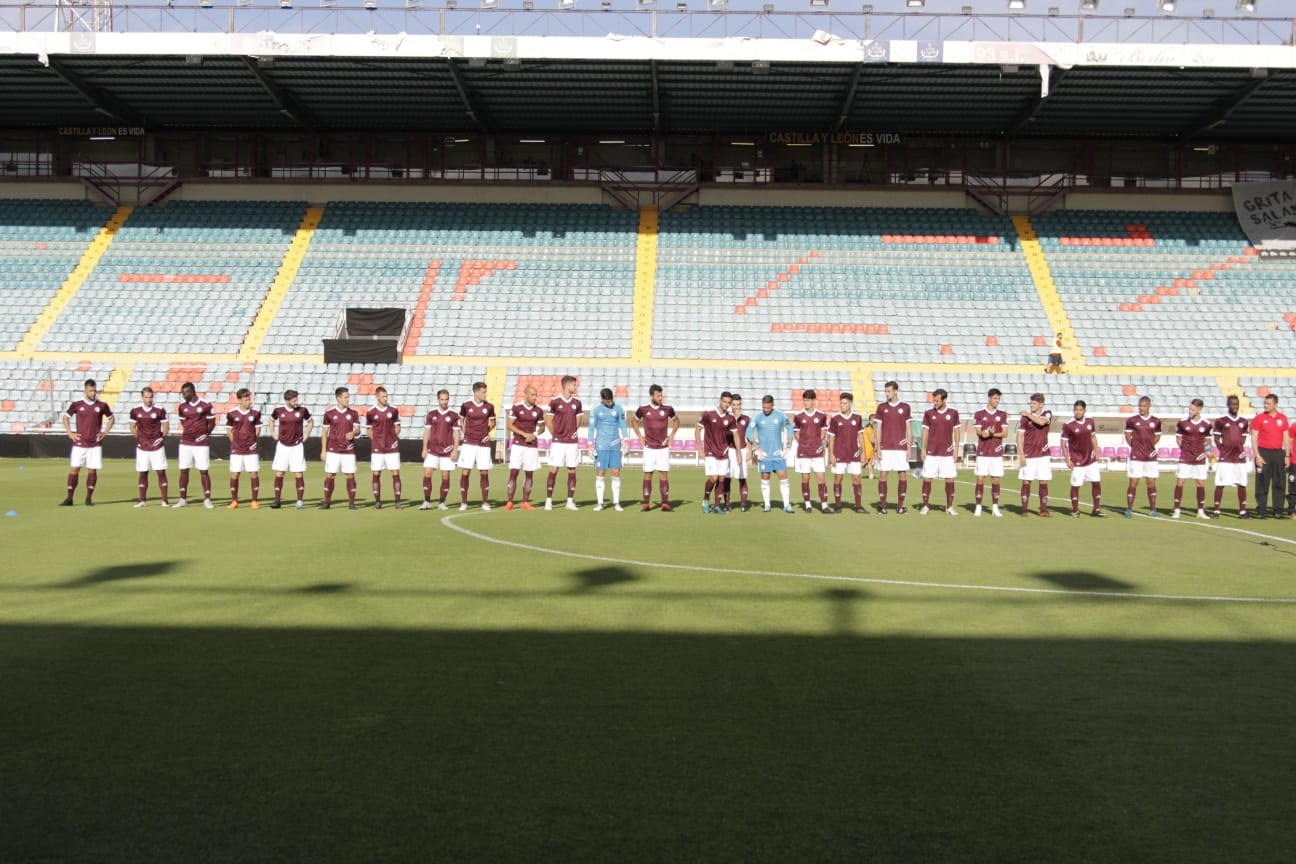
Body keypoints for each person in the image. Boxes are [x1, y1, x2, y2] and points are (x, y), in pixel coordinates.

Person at [60, 378, 114, 507]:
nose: (93, 393)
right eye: (90, 391)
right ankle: (69, 498)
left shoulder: (101, 405)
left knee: (92, 471)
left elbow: (111, 418)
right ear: (85, 390)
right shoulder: (77, 404)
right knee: (74, 469)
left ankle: (89, 498)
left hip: (94, 443)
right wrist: (70, 433)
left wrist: (105, 432)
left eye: (94, 391)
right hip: (80, 443)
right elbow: (66, 417)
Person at [630, 384, 678, 511]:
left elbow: (676, 421)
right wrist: (640, 436)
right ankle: (646, 504)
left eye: (661, 395)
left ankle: (665, 503)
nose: (660, 398)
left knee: (663, 474)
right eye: (658, 395)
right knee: (648, 474)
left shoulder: (668, 409)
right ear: (651, 396)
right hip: (649, 448)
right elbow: (633, 421)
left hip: (663, 447)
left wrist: (672, 435)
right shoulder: (643, 409)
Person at [747, 394, 795, 513]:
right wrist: (756, 448)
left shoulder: (780, 415)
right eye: (764, 407)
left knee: (783, 477)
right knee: (765, 478)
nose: (766, 410)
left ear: (772, 405)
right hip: (764, 454)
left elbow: (790, 429)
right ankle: (767, 505)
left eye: (768, 408)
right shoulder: (757, 417)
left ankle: (787, 505)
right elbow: (749, 432)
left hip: (778, 454)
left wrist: (788, 446)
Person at [918, 389, 960, 516]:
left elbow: (957, 430)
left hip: (947, 452)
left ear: (944, 400)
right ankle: (925, 506)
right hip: (932, 452)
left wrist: (956, 448)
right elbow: (925, 431)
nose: (935, 402)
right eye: (934, 400)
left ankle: (949, 507)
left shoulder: (953, 413)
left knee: (950, 480)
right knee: (927, 478)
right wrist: (923, 448)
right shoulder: (929, 413)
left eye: (937, 400)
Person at [173, 381, 215, 509]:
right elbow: (183, 421)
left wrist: (205, 434)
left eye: (185, 393)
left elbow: (212, 422)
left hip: (201, 443)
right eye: (182, 393)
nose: (183, 395)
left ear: (192, 392)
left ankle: (207, 499)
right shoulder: (182, 407)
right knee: (184, 469)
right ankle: (182, 499)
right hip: (186, 442)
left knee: (203, 470)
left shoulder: (205, 405)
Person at [269, 389, 313, 510]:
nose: (296, 402)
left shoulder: (302, 410)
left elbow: (310, 422)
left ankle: (299, 501)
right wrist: (273, 433)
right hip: (282, 446)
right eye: (294, 400)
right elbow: (271, 420)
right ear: (287, 400)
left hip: (297, 446)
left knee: (298, 473)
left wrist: (307, 435)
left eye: (297, 399)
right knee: (279, 472)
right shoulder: (279, 411)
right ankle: (277, 500)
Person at [1061, 399, 1104, 518]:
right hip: (1077, 460)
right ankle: (1075, 510)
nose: (1078, 412)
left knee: (1096, 483)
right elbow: (1063, 444)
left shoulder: (1090, 422)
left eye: (1080, 410)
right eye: (1076, 410)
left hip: (1091, 459)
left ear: (1084, 410)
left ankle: (1096, 509)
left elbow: (1093, 437)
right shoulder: (1068, 425)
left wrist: (1097, 451)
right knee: (1076, 485)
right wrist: (1067, 459)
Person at [1249, 393, 1290, 520]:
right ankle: (1261, 510)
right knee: (1262, 483)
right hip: (1264, 452)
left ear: (1275, 404)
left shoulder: (1282, 418)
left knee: (1279, 483)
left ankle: (1278, 511)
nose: (1266, 406)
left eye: (1268, 404)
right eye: (1265, 403)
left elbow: (1286, 438)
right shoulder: (1259, 418)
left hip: (1278, 453)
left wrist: (1287, 455)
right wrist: (1257, 455)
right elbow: (1254, 438)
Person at [873, 380, 912, 515]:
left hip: (901, 448)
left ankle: (900, 507)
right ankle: (883, 507)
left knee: (902, 476)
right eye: (886, 391)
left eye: (889, 391)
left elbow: (908, 429)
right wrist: (878, 447)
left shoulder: (905, 407)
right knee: (883, 476)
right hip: (885, 447)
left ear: (896, 391)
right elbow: (878, 429)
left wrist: (909, 447)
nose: (887, 394)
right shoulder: (881, 407)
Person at [504, 385, 544, 511]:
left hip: (531, 446)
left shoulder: (538, 410)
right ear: (526, 394)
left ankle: (525, 502)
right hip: (517, 444)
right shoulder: (517, 408)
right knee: (514, 472)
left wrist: (534, 435)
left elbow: (542, 427)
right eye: (532, 394)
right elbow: (509, 425)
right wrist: (523, 434)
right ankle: (510, 501)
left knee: (529, 474)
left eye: (535, 394)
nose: (535, 397)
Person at [545, 375, 582, 511]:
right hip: (558, 442)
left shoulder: (577, 403)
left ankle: (570, 501)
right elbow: (549, 422)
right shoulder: (554, 402)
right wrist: (557, 435)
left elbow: (578, 421)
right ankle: (549, 501)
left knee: (572, 469)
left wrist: (571, 432)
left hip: (572, 442)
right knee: (554, 469)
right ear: (567, 385)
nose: (575, 387)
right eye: (574, 384)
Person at [827, 392, 868, 514]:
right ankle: (838, 505)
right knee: (838, 479)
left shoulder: (857, 418)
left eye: (844, 403)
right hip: (839, 454)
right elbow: (831, 438)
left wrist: (863, 452)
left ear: (850, 403)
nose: (842, 405)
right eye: (841, 403)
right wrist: (831, 454)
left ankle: (858, 505)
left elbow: (860, 436)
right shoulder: (835, 418)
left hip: (854, 454)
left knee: (856, 479)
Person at [695, 391, 736, 514]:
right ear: (720, 400)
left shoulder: (730, 418)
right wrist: (700, 449)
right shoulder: (708, 414)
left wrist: (739, 452)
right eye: (724, 402)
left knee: (722, 478)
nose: (726, 404)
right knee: (714, 478)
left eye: (729, 403)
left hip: (723, 452)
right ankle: (706, 500)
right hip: (710, 451)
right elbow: (697, 430)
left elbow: (735, 435)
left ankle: (717, 506)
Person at [458, 381, 497, 511]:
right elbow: (461, 419)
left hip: (483, 442)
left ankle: (485, 502)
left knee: (484, 471)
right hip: (469, 442)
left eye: (486, 391)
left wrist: (487, 431)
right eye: (483, 392)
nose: (486, 394)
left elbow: (493, 421)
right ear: (476, 392)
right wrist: (465, 431)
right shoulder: (466, 405)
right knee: (466, 471)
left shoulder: (489, 406)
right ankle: (464, 502)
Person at [321, 386, 361, 510]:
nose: (348, 399)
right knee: (330, 475)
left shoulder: (353, 413)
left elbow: (358, 430)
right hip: (333, 450)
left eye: (348, 397)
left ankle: (352, 502)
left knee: (350, 475)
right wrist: (323, 450)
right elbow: (324, 432)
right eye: (345, 397)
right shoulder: (329, 414)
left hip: (348, 450)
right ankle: (327, 502)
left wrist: (353, 433)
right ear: (338, 398)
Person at [588, 387, 628, 512]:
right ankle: (600, 503)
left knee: (616, 472)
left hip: (615, 445)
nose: (609, 403)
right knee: (600, 473)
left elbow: (622, 425)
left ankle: (616, 503)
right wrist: (590, 446)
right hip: (601, 446)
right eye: (607, 401)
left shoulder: (619, 409)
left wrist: (626, 441)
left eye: (611, 400)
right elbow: (591, 428)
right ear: (603, 399)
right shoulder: (596, 410)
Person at [128, 386, 169, 508]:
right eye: (146, 397)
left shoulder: (159, 410)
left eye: (150, 397)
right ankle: (142, 500)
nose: (149, 399)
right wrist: (139, 439)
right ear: (142, 397)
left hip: (157, 447)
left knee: (160, 472)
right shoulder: (135, 411)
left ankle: (165, 500)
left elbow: (166, 427)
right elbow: (132, 426)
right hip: (142, 447)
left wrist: (160, 439)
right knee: (143, 473)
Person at [420, 389, 460, 511]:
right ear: (438, 399)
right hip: (432, 450)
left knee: (445, 476)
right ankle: (427, 501)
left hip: (447, 451)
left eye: (446, 399)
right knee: (427, 473)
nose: (444, 401)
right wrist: (424, 448)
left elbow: (457, 433)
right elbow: (427, 432)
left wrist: (455, 449)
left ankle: (442, 502)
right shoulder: (431, 414)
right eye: (442, 399)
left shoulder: (453, 415)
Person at [1172, 399, 1212, 520]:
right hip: (1185, 457)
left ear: (1199, 409)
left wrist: (1203, 451)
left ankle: (1200, 511)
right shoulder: (1182, 423)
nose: (1190, 411)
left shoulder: (1206, 424)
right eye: (1189, 409)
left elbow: (1208, 440)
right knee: (1180, 482)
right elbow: (1178, 438)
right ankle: (1177, 509)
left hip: (1199, 458)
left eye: (1193, 409)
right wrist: (1185, 450)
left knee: (1200, 483)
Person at [792, 389, 831, 513]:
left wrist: (817, 444)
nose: (806, 403)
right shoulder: (798, 416)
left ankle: (824, 505)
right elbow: (796, 433)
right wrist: (804, 444)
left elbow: (824, 433)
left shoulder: (821, 416)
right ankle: (808, 504)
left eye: (808, 400)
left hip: (817, 453)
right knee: (805, 478)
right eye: (804, 400)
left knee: (821, 479)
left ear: (814, 401)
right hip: (803, 453)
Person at [1211, 394, 1250, 519]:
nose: (1235, 406)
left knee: (1242, 483)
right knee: (1220, 483)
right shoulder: (1221, 421)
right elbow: (1216, 437)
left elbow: (1243, 437)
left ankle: (1242, 511)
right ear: (1228, 405)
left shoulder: (1243, 422)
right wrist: (1221, 448)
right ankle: (1216, 510)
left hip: (1239, 457)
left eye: (1236, 404)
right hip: (1225, 457)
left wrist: (1238, 447)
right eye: (1232, 404)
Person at [1123, 396, 1162, 518]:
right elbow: (1128, 435)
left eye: (1144, 406)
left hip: (1150, 456)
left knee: (1151, 482)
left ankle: (1153, 509)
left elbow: (1157, 436)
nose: (1141, 408)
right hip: (1136, 456)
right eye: (1140, 406)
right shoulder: (1132, 420)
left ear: (1149, 406)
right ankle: (1129, 509)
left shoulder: (1156, 421)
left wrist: (1149, 446)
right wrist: (1134, 447)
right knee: (1134, 482)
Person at [1016, 393, 1053, 518]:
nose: (1032, 405)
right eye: (1031, 403)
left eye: (1034, 403)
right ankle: (1025, 509)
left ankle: (1043, 509)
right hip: (1029, 454)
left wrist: (1028, 414)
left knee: (1043, 481)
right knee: (1027, 481)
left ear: (1041, 404)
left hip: (1043, 454)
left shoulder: (1047, 413)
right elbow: (1019, 436)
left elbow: (1042, 422)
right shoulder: (1025, 418)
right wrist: (1021, 454)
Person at [972, 388, 1008, 517]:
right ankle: (978, 506)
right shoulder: (979, 414)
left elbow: (1005, 433)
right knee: (981, 479)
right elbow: (979, 432)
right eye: (995, 398)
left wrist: (992, 434)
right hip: (983, 452)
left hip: (996, 452)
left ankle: (995, 507)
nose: (997, 401)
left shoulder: (1002, 414)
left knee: (996, 480)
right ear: (989, 398)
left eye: (998, 399)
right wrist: (987, 433)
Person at [225, 388, 263, 510]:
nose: (248, 402)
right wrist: (235, 442)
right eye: (246, 399)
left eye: (249, 399)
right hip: (237, 448)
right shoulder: (232, 413)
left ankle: (254, 500)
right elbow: (229, 430)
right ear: (239, 400)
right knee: (235, 474)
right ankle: (234, 501)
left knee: (253, 473)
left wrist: (252, 441)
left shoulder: (255, 413)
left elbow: (257, 429)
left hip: (251, 449)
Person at [366, 386, 403, 510]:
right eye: (383, 396)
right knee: (376, 473)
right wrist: (376, 441)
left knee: (395, 472)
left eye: (386, 396)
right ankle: (377, 502)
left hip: (392, 447)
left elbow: (398, 427)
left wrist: (393, 437)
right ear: (377, 397)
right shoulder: (371, 412)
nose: (385, 398)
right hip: (378, 448)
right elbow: (369, 429)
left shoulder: (393, 410)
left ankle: (398, 502)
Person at [726, 394, 752, 512]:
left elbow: (749, 436)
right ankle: (727, 504)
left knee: (742, 477)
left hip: (742, 449)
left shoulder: (746, 419)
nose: (736, 407)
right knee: (727, 477)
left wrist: (750, 451)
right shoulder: (726, 418)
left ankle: (743, 504)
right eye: (734, 405)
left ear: (741, 405)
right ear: (731, 405)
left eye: (738, 405)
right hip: (729, 450)